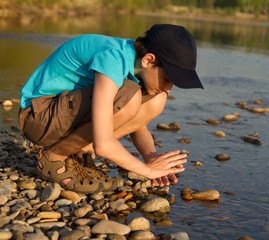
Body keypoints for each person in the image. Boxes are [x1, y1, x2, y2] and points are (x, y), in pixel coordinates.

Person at [18, 24, 204, 194]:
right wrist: (146, 170)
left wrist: (151, 157)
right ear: (149, 60)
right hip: (38, 117)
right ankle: (54, 157)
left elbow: (137, 124)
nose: (169, 88)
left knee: (156, 98)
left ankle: (78, 151)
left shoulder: (135, 62)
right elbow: (104, 144)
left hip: (60, 113)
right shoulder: (113, 58)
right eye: (167, 80)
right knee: (131, 96)